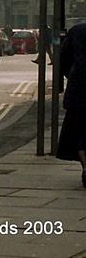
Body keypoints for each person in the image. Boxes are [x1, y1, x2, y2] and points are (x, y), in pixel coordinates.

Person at [57, 23, 86, 187]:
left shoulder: (77, 31)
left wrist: (74, 75)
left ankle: (85, 167)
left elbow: (63, 59)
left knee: (80, 131)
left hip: (79, 91)